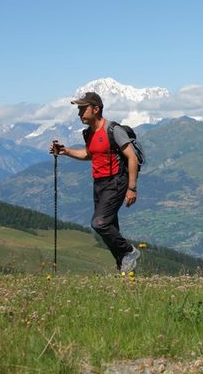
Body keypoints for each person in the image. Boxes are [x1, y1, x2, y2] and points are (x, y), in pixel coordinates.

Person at [49, 91, 141, 274]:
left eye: (83, 108)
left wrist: (132, 188)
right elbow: (88, 154)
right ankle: (123, 268)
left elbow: (132, 158)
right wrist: (65, 151)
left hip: (116, 181)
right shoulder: (88, 133)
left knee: (99, 223)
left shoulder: (113, 130)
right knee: (110, 226)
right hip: (98, 184)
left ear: (96, 109)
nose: (79, 113)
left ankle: (129, 251)